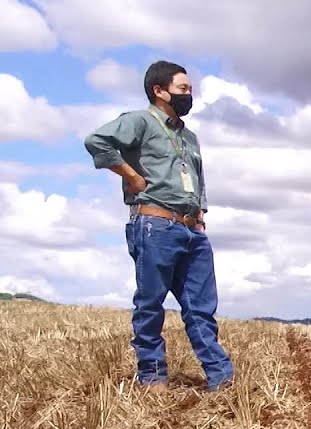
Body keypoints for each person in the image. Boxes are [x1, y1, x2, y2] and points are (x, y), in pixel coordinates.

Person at [84, 60, 233, 393]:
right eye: (183, 88)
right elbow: (96, 141)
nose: (189, 94)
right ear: (159, 91)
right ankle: (152, 377)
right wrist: (131, 175)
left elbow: (198, 178)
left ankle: (221, 378)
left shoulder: (189, 137)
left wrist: (200, 216)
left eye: (190, 89)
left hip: (191, 230)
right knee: (151, 304)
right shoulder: (139, 121)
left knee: (201, 308)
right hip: (155, 224)